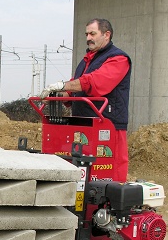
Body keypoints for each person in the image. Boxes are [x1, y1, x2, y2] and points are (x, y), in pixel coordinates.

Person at [40, 18, 131, 182]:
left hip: (108, 126)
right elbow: (76, 91)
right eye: (86, 34)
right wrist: (56, 95)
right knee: (82, 173)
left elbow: (95, 82)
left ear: (106, 35)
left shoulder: (118, 59)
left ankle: (110, 205)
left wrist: (62, 85)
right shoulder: (86, 61)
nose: (88, 37)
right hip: (84, 127)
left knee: (109, 175)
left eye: (93, 33)